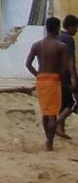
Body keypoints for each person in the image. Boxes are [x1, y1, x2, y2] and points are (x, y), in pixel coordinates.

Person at [25, 16, 78, 150]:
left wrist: (37, 74)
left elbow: (28, 64)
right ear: (56, 29)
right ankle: (50, 141)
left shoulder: (37, 45)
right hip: (53, 79)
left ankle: (48, 139)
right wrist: (60, 77)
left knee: (45, 111)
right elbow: (65, 67)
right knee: (53, 112)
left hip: (41, 79)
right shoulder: (61, 46)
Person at [57, 14, 77, 139]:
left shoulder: (57, 36)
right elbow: (70, 60)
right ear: (70, 26)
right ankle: (57, 123)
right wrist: (74, 77)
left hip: (57, 74)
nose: (76, 30)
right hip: (66, 75)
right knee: (73, 103)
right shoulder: (68, 39)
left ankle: (61, 129)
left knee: (63, 102)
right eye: (76, 27)